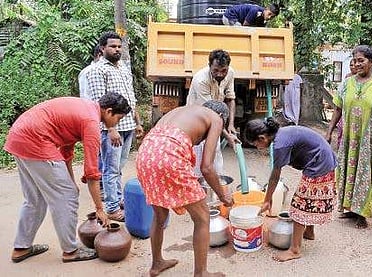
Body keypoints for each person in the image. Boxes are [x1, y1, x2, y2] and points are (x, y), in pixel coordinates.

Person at [4, 92, 131, 263]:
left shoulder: (85, 109)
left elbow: (66, 152)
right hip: (36, 140)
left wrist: (71, 182)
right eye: (119, 118)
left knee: (34, 199)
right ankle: (70, 251)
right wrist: (100, 209)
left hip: (19, 137)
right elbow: (92, 173)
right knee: (67, 197)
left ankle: (22, 248)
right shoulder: (91, 122)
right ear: (109, 111)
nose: (118, 123)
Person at [136, 100, 234, 277]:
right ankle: (201, 272)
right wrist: (223, 195)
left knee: (160, 216)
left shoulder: (182, 111)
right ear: (222, 117)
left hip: (145, 155)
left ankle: (156, 264)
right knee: (203, 218)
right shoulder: (216, 119)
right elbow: (207, 168)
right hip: (169, 158)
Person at [325, 45, 372, 229]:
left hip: (368, 141)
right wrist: (329, 132)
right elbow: (338, 110)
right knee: (347, 172)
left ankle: (362, 213)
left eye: (361, 60)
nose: (357, 64)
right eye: (355, 60)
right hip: (349, 140)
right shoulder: (346, 84)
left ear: (371, 62)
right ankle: (349, 208)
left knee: (364, 174)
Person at [246, 118, 337, 262]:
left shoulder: (280, 144)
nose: (258, 147)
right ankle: (309, 231)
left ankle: (295, 250)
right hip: (323, 159)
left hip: (319, 163)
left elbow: (275, 176)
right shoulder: (281, 134)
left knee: (299, 205)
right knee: (310, 199)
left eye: (256, 144)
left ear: (262, 137)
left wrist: (267, 200)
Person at [87, 31, 144, 221]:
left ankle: (117, 199)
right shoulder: (97, 70)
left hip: (127, 125)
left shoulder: (123, 68)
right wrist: (111, 129)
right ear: (103, 48)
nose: (117, 49)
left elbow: (131, 98)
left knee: (118, 168)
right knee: (111, 170)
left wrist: (137, 123)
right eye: (112, 46)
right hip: (111, 129)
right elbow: (99, 103)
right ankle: (111, 208)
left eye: (119, 46)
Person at [186, 49, 240, 176]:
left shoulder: (230, 73)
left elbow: (230, 99)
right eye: (216, 70)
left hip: (215, 116)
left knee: (215, 156)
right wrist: (228, 136)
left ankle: (214, 185)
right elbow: (211, 114)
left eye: (223, 71)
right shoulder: (201, 80)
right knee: (199, 159)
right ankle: (200, 186)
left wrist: (231, 124)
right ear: (209, 65)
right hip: (198, 120)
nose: (220, 74)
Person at [336, 59, 358, 148]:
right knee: (342, 129)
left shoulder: (362, 80)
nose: (352, 67)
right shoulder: (347, 78)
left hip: (356, 109)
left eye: (354, 65)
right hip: (345, 108)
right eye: (351, 65)